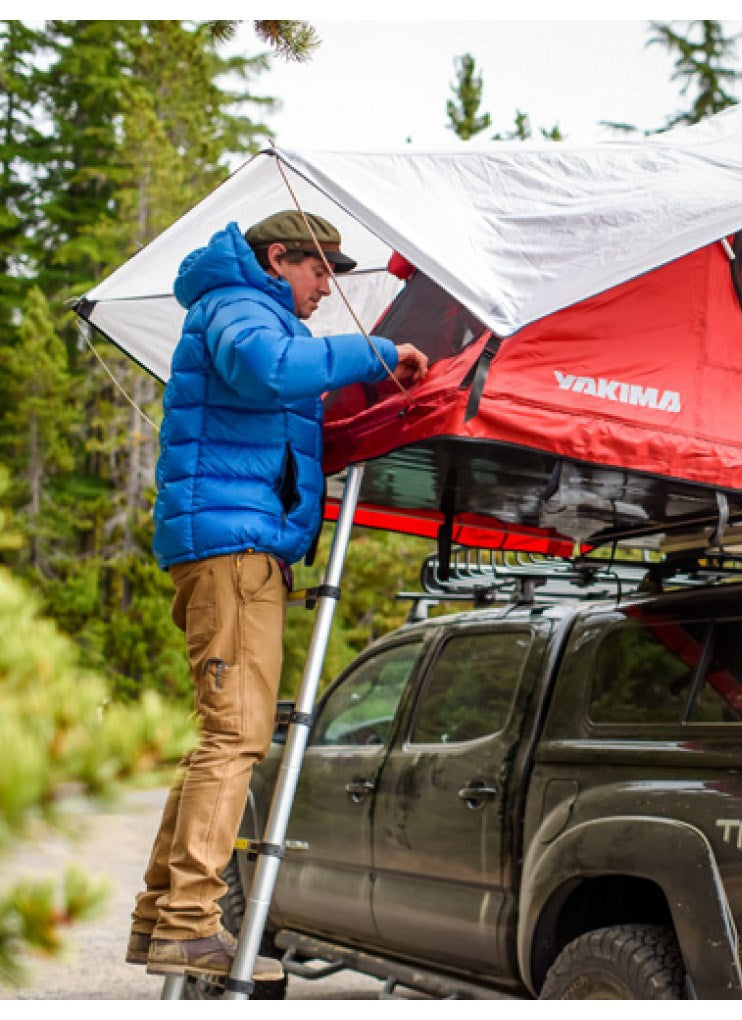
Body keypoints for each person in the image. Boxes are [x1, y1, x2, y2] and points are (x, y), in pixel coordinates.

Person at [127, 210, 429, 981]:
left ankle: (162, 917)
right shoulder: (240, 305)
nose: (327, 287)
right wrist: (377, 353)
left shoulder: (252, 309)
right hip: (234, 550)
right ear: (278, 259)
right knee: (236, 735)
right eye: (319, 269)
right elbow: (268, 369)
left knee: (220, 735)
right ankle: (188, 924)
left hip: (234, 546)